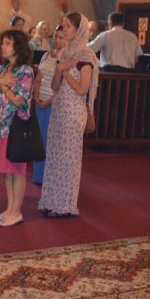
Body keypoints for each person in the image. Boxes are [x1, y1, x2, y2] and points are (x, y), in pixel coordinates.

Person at [37, 12, 99, 218]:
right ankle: (50, 201)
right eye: (63, 26)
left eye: (68, 26)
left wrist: (64, 72)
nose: (64, 30)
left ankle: (64, 205)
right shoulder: (63, 53)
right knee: (54, 156)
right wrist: (59, 70)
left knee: (68, 159)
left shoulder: (85, 55)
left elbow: (82, 89)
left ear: (79, 30)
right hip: (59, 109)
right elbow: (55, 86)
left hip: (74, 112)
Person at [0, 29, 34, 227]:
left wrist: (3, 86)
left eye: (7, 43)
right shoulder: (3, 69)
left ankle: (16, 212)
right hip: (0, 126)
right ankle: (10, 208)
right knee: (6, 170)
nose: (2, 47)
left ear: (18, 46)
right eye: (2, 43)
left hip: (15, 127)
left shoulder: (25, 71)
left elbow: (18, 100)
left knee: (17, 170)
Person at [31, 25, 65, 185]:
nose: (57, 40)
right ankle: (38, 175)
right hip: (40, 102)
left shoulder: (66, 59)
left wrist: (49, 100)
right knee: (39, 139)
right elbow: (39, 77)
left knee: (50, 140)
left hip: (54, 103)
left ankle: (49, 176)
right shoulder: (46, 55)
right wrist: (36, 95)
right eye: (56, 36)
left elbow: (63, 86)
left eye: (61, 37)